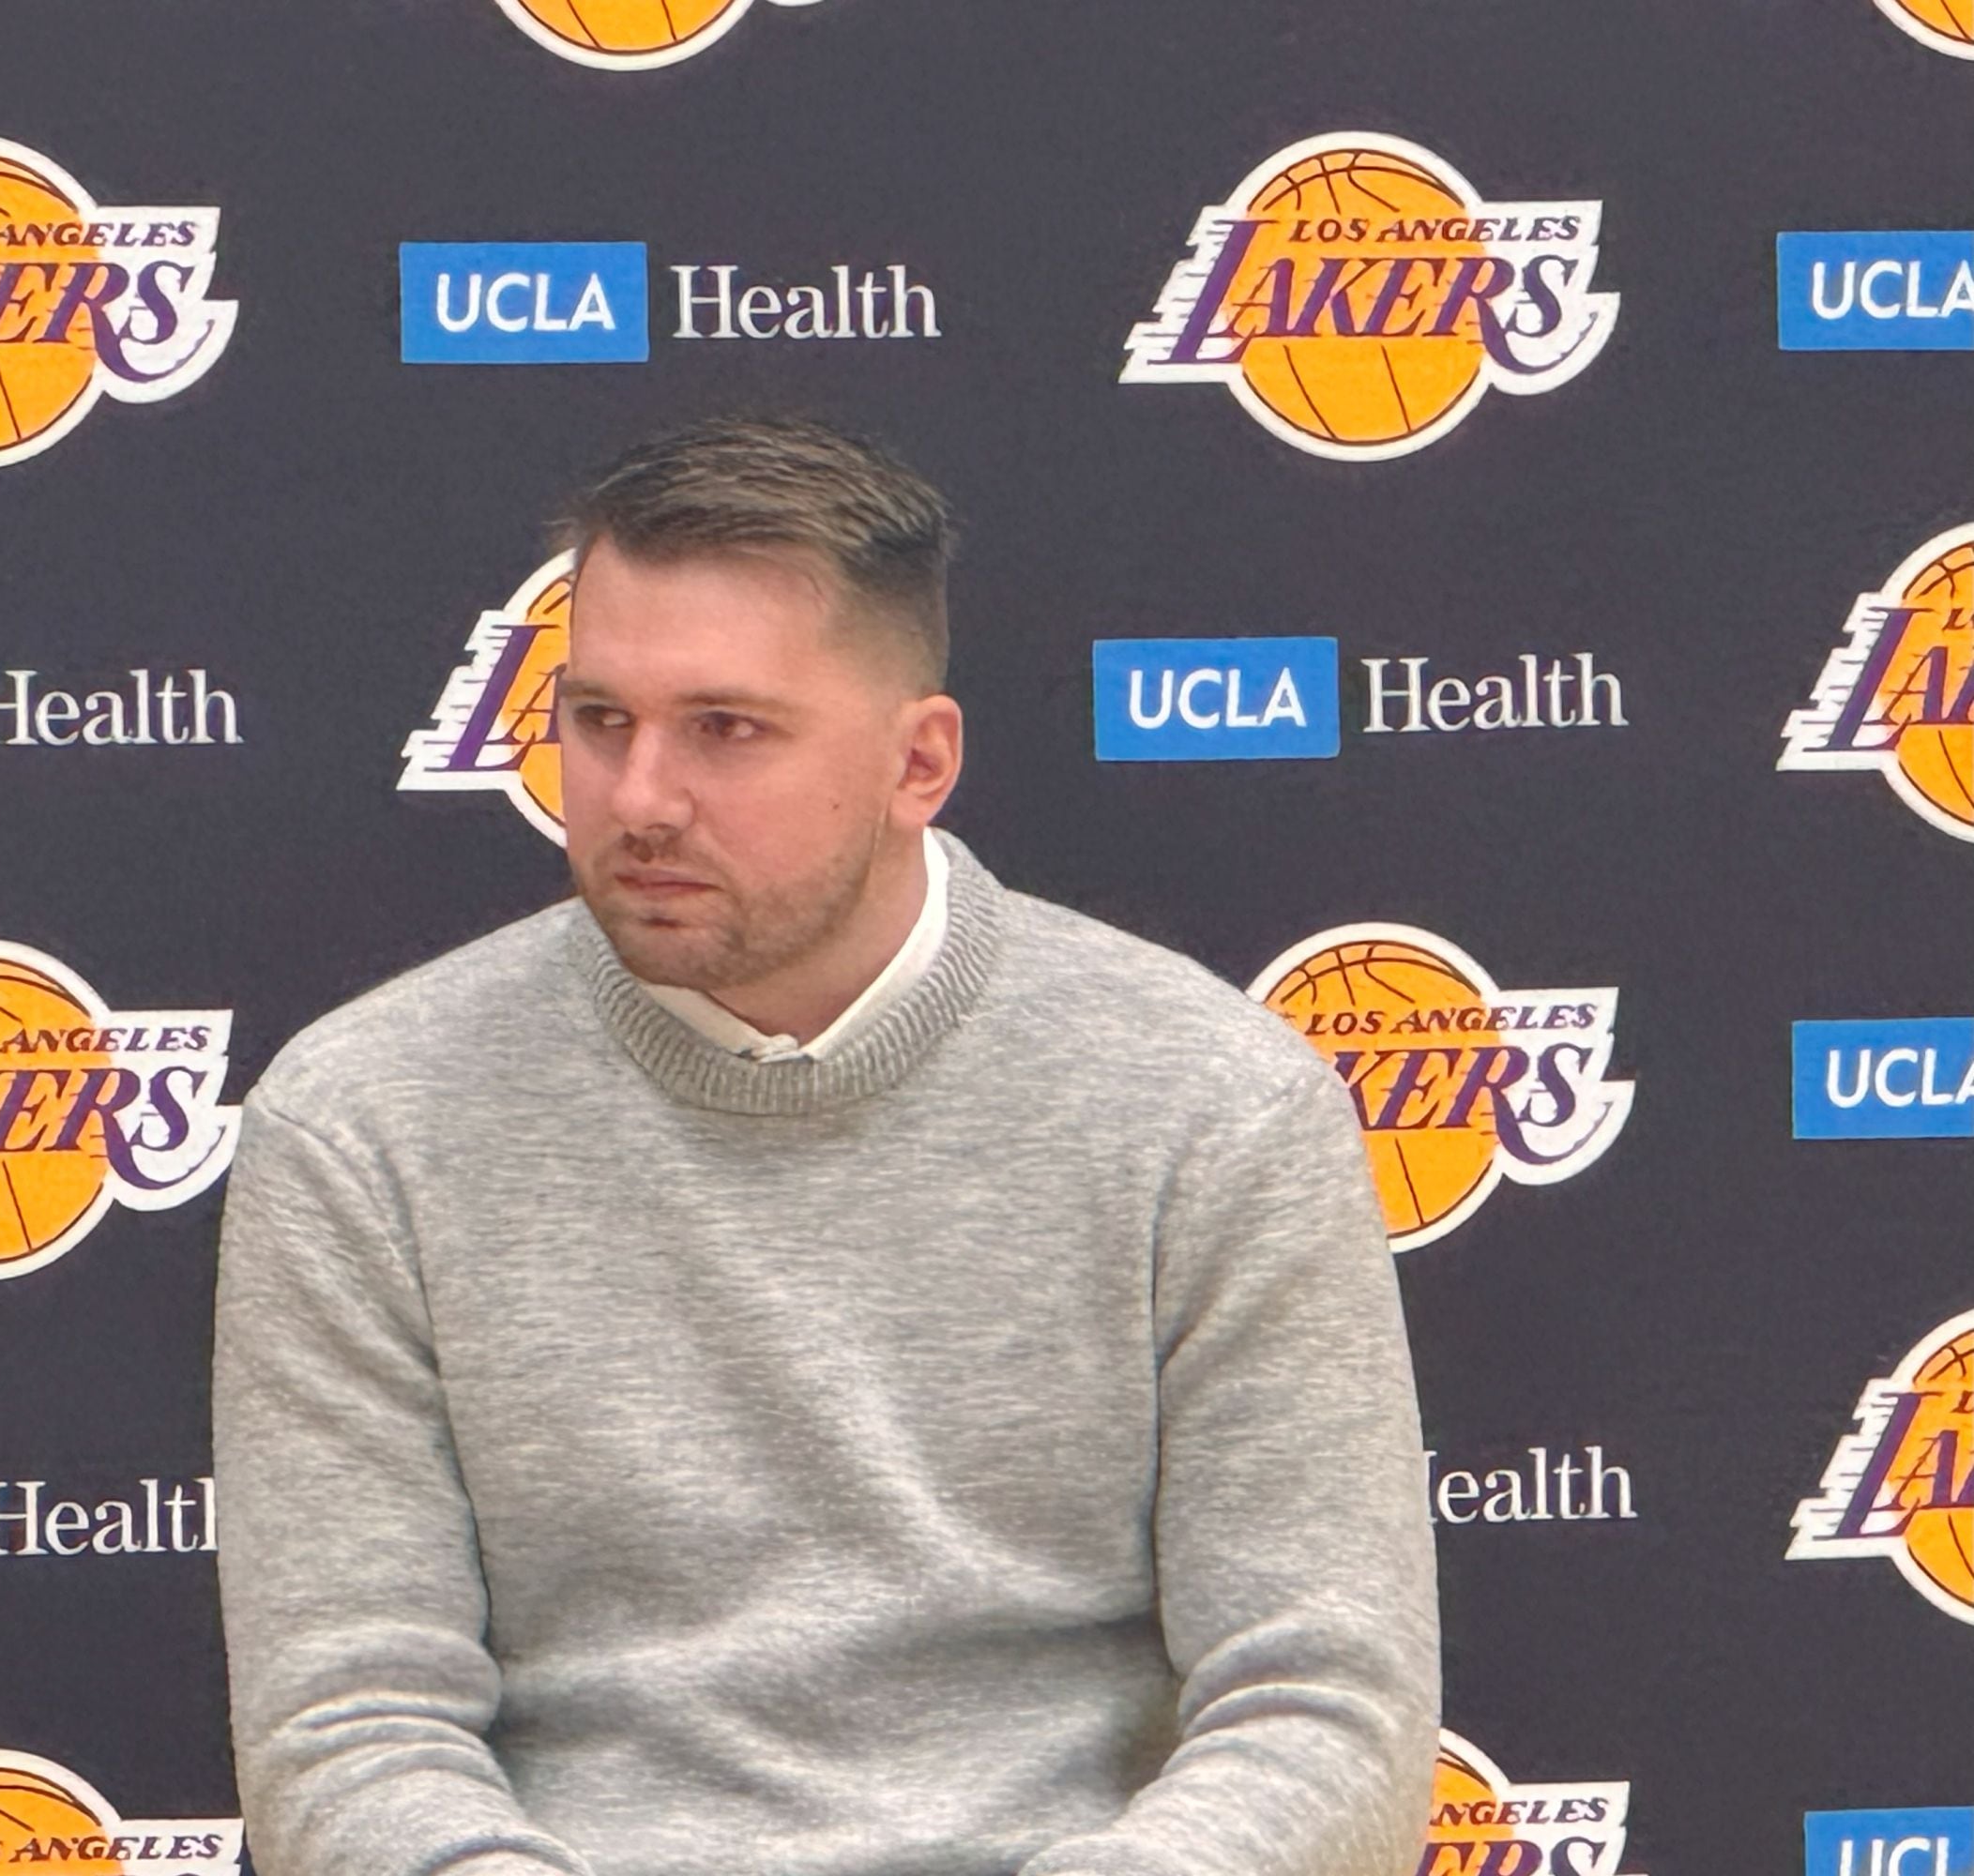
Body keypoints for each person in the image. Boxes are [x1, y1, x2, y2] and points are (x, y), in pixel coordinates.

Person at [209, 416, 1438, 1876]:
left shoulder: (1216, 1107)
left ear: (920, 762)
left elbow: (1328, 1712)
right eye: (599, 720)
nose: (639, 797)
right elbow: (347, 1735)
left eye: (725, 729)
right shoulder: (361, 1123)